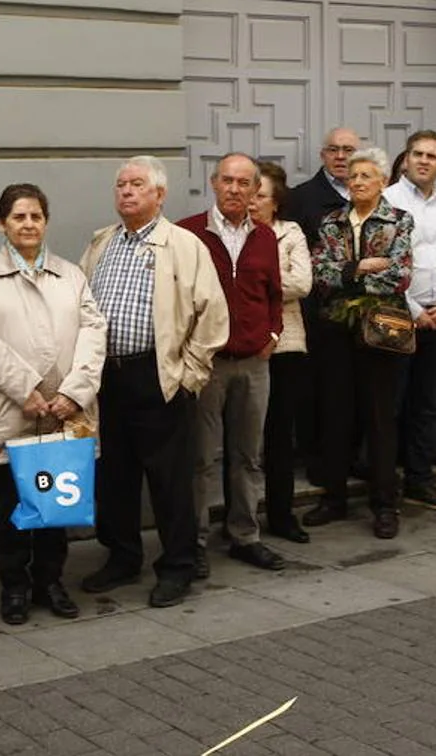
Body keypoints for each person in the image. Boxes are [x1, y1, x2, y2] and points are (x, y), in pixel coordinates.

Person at [79, 156, 228, 608]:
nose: (126, 191)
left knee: (169, 481)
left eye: (137, 184)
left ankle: (179, 566)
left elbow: (213, 317)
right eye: (121, 184)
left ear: (159, 195)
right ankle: (123, 557)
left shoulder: (183, 246)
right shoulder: (101, 243)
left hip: (159, 378)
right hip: (108, 379)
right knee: (114, 477)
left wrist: (189, 376)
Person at [0, 184, 106, 625]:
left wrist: (72, 393)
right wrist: (27, 389)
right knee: (10, 509)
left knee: (54, 509)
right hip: (11, 414)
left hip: (64, 415)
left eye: (36, 217)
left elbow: (93, 332)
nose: (28, 224)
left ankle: (50, 581)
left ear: (46, 222)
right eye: (19, 217)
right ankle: (15, 587)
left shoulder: (71, 275)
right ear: (1, 223)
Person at [177, 155, 285, 577]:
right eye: (228, 181)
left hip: (254, 364)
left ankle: (244, 535)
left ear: (255, 189)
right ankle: (195, 540)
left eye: (244, 183)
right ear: (213, 183)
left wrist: (272, 335)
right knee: (201, 457)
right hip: (208, 364)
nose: (235, 189)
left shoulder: (265, 237)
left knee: (247, 455)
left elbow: (274, 294)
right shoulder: (188, 234)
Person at [302, 148, 414, 540]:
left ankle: (385, 504)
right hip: (336, 331)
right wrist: (360, 267)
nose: (358, 182)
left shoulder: (398, 220)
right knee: (336, 415)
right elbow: (319, 272)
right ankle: (333, 499)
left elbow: (399, 277)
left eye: (367, 175)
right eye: (353, 176)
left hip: (381, 331)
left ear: (383, 181)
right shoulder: (330, 222)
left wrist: (346, 274)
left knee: (380, 419)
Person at [383, 130, 436, 511]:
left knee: (429, 405)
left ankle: (420, 480)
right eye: (416, 153)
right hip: (399, 317)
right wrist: (414, 310)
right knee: (392, 403)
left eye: (431, 156)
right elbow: (386, 263)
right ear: (405, 159)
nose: (422, 160)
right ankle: (386, 487)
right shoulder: (387, 201)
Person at [287, 127, 360, 485]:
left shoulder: (371, 194)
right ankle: (318, 461)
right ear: (322, 155)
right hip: (319, 314)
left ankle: (352, 458)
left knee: (355, 393)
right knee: (319, 394)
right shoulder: (301, 199)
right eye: (334, 149)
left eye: (348, 150)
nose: (341, 156)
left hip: (363, 314)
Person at [252, 162, 312, 544]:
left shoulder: (289, 233)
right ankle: (239, 516)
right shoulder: (232, 236)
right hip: (241, 347)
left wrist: (255, 280)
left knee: (278, 436)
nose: (253, 201)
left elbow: (302, 282)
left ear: (276, 202)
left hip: (286, 345)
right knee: (240, 439)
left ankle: (281, 513)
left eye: (261, 195)